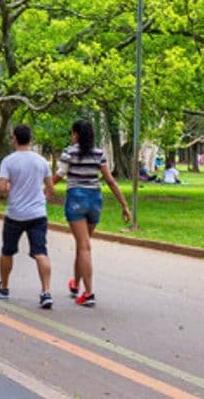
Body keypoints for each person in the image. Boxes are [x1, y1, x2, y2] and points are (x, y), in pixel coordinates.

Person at [54, 118, 130, 308]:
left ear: (76, 134)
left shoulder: (69, 153)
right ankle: (76, 284)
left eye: (72, 133)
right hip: (95, 200)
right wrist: (124, 205)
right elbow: (110, 180)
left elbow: (59, 175)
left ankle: (89, 293)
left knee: (84, 246)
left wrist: (43, 189)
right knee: (83, 245)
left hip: (76, 199)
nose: (71, 137)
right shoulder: (99, 154)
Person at [0, 124, 55, 309]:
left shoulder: (8, 161)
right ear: (31, 139)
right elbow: (50, 188)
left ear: (14, 139)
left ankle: (4, 287)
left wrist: (8, 188)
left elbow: (2, 187)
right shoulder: (41, 161)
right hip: (37, 214)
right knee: (41, 252)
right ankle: (46, 292)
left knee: (7, 251)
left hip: (15, 214)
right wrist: (43, 200)